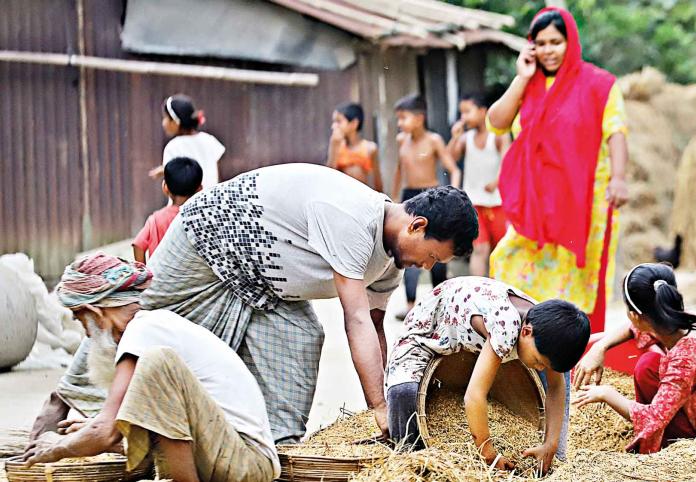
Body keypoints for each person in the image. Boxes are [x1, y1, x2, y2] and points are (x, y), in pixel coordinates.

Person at [33, 163, 479, 446]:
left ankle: (274, 447)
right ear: (417, 226)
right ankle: (62, 402)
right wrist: (380, 410)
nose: (427, 266)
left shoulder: (391, 264)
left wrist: (390, 401)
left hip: (265, 285)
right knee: (138, 319)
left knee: (304, 335)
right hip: (209, 237)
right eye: (434, 257)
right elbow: (356, 319)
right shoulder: (353, 219)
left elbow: (378, 332)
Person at [22, 254, 280, 482]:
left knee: (158, 363)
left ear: (94, 312)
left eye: (81, 320)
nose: (86, 334)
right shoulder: (152, 327)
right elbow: (130, 432)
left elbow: (105, 434)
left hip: (245, 462)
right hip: (233, 457)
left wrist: (57, 446)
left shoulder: (143, 330)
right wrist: (91, 432)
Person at [487, 7, 630, 334]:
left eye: (556, 42)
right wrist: (522, 77)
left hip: (582, 206)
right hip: (534, 206)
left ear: (571, 42)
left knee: (579, 286)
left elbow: (616, 131)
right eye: (541, 43)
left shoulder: (599, 84)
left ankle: (577, 358)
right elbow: (496, 123)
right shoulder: (529, 85)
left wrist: (619, 179)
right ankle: (522, 349)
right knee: (508, 263)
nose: (549, 50)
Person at [386, 277, 589, 473]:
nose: (541, 368)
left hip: (472, 312)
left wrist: (551, 444)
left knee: (560, 375)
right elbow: (473, 396)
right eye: (538, 361)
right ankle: (409, 456)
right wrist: (488, 454)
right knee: (403, 391)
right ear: (526, 332)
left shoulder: (549, 332)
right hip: (431, 327)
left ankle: (554, 459)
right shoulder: (507, 327)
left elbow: (556, 386)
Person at [571, 263, 696, 454]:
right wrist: (600, 347)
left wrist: (607, 394)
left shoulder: (687, 355)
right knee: (649, 366)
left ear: (635, 315)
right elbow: (635, 327)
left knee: (650, 371)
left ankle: (664, 446)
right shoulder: (675, 322)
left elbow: (654, 417)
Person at [391, 94, 463, 319]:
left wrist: (455, 197)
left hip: (431, 196)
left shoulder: (434, 140)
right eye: (399, 119)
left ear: (420, 118)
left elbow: (454, 169)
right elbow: (399, 171)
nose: (400, 123)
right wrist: (393, 201)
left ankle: (439, 304)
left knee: (435, 248)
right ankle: (411, 304)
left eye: (404, 118)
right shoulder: (401, 140)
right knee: (407, 248)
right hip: (409, 196)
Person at [447, 92, 511, 277]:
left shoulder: (499, 135)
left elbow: (507, 162)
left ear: (483, 111)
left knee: (500, 250)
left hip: (498, 202)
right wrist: (454, 138)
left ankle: (501, 291)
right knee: (479, 249)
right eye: (462, 113)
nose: (463, 117)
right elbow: (450, 159)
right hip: (473, 203)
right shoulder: (465, 138)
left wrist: (497, 181)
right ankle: (479, 291)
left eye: (467, 112)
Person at [133, 157, 202, 264]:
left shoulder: (156, 219)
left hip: (160, 278)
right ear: (200, 189)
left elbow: (138, 245)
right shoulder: (201, 218)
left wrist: (144, 273)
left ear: (165, 188)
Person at [148, 94, 225, 191]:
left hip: (184, 204)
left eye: (166, 118)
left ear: (176, 122)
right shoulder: (210, 140)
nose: (163, 123)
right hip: (211, 200)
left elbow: (174, 177)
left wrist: (164, 170)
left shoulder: (173, 147)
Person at [327, 102, 383, 192]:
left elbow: (378, 183)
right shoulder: (337, 146)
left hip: (363, 198)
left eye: (338, 121)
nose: (333, 126)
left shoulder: (370, 148)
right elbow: (329, 178)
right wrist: (333, 147)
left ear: (354, 123)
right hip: (342, 197)